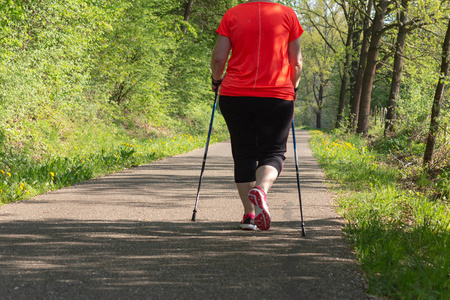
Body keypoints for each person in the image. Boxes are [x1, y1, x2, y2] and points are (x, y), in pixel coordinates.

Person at [210, 0, 303, 231]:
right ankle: (261, 189)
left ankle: (249, 216)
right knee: (273, 151)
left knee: (243, 152)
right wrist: (294, 87)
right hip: (277, 95)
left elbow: (219, 57)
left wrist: (215, 80)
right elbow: (296, 61)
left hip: (235, 94)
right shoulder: (288, 14)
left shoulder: (232, 14)